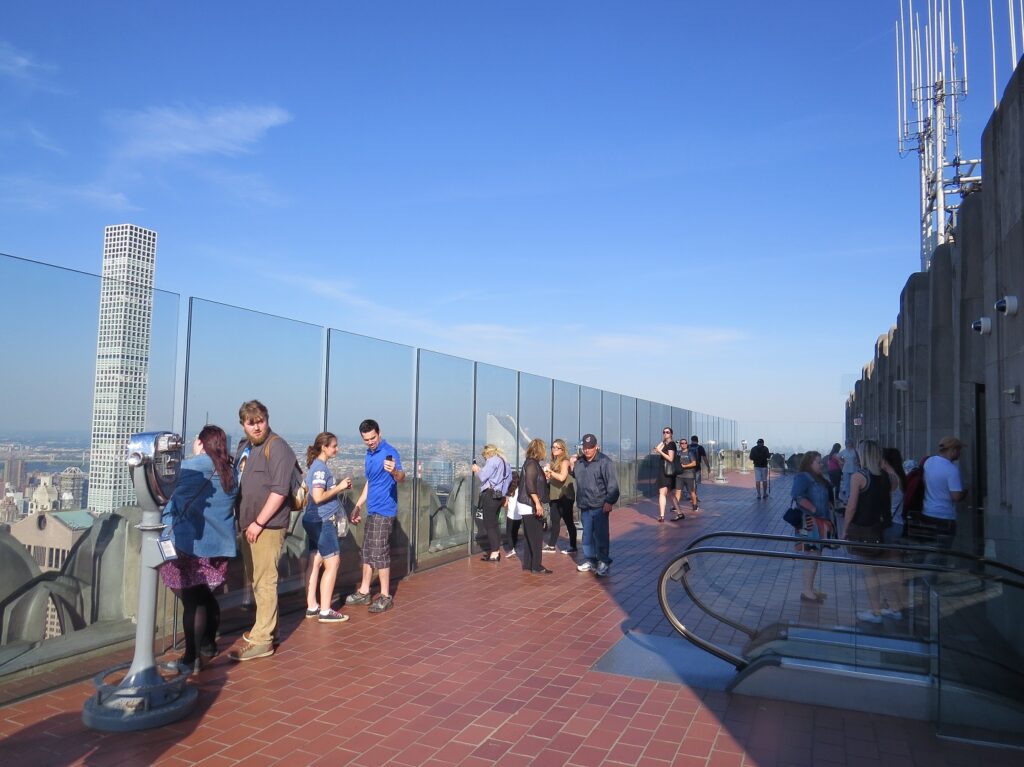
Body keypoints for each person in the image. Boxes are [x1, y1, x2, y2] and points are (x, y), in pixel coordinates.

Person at [159, 425, 238, 674]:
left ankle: (191, 658)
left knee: (192, 602)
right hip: (219, 548)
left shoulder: (191, 468)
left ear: (202, 443)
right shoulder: (230, 472)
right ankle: (208, 646)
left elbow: (162, 491)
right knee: (204, 596)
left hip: (190, 545)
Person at [231, 400, 298, 662]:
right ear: (243, 425)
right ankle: (268, 629)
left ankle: (263, 640)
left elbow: (280, 490)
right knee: (258, 580)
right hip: (249, 525)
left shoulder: (277, 446)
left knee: (265, 581)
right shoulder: (245, 448)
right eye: (251, 422)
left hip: (267, 526)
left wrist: (259, 522)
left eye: (260, 421)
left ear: (267, 419)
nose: (257, 426)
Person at [347, 419, 406, 614]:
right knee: (367, 551)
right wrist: (357, 506)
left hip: (385, 510)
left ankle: (385, 596)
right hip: (372, 510)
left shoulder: (390, 452)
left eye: (373, 438)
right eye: (366, 439)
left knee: (380, 552)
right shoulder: (369, 454)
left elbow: (401, 478)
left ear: (379, 433)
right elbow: (370, 483)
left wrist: (395, 471)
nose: (370, 442)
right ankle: (364, 591)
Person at [845, 440, 900, 624]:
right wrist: (886, 465)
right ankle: (894, 608)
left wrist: (845, 529)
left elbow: (851, 507)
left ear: (862, 455)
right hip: (884, 529)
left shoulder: (859, 477)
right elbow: (895, 483)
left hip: (865, 530)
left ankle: (876, 612)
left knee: (870, 573)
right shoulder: (886, 477)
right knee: (886, 573)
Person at [302, 432, 354, 623]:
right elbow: (317, 497)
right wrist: (339, 487)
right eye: (334, 446)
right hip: (323, 521)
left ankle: (312, 605)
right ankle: (325, 610)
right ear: (324, 447)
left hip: (311, 520)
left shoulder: (315, 467)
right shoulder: (320, 469)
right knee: (332, 563)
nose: (337, 449)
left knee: (315, 561)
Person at [790, 451, 835, 603]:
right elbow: (797, 495)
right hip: (809, 522)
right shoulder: (803, 477)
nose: (821, 464)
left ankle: (810, 588)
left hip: (820, 522)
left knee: (816, 555)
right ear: (810, 463)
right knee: (811, 556)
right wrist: (813, 509)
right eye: (818, 462)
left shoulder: (818, 478)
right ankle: (807, 591)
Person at [572, 434, 620, 577]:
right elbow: (577, 476)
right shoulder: (579, 463)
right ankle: (591, 560)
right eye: (585, 447)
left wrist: (609, 501)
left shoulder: (605, 462)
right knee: (587, 536)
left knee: (600, 535)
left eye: (590, 447)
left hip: (600, 505)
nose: (587, 450)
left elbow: (613, 485)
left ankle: (603, 561)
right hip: (584, 504)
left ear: (596, 447)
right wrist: (570, 464)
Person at [921, 436, 966, 550]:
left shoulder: (928, 462)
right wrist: (965, 492)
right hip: (944, 517)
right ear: (952, 450)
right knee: (942, 554)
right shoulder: (951, 470)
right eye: (959, 450)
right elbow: (956, 497)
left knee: (928, 550)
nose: (960, 453)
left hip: (927, 514)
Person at [471, 444, 511, 562]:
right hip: (499, 496)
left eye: (485, 456)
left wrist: (477, 469)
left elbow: (483, 476)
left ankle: (494, 552)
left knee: (489, 524)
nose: (485, 458)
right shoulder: (505, 462)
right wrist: (505, 496)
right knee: (494, 524)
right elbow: (508, 480)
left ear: (488, 453)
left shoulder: (492, 461)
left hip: (490, 495)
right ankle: (496, 551)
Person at [518, 438, 551, 574]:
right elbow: (530, 485)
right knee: (536, 536)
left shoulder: (531, 463)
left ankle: (528, 563)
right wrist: (537, 503)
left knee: (530, 535)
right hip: (529, 504)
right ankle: (536, 566)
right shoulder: (532, 464)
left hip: (527, 504)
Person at [544, 438, 577, 554]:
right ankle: (552, 545)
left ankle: (573, 546)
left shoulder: (565, 462)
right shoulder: (553, 462)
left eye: (557, 447)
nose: (554, 449)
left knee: (568, 521)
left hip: (565, 495)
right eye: (553, 447)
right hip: (554, 495)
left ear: (562, 450)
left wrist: (550, 471)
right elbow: (553, 477)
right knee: (555, 520)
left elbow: (562, 477)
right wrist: (548, 474)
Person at [652, 427, 682, 523]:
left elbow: (670, 458)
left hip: (666, 472)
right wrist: (663, 442)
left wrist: (660, 451)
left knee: (662, 493)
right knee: (670, 493)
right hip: (664, 471)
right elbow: (656, 449)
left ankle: (662, 516)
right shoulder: (666, 443)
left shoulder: (672, 444)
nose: (665, 433)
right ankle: (680, 513)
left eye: (667, 432)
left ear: (671, 434)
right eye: (664, 432)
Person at [674, 439, 698, 519]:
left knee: (692, 492)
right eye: (682, 443)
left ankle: (695, 505)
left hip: (689, 476)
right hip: (679, 476)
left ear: (687, 444)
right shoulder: (678, 453)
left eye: (685, 443)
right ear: (680, 445)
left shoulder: (690, 453)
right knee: (678, 492)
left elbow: (694, 463)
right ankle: (675, 506)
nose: (683, 444)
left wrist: (685, 466)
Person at [837, 438, 859, 508]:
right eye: (847, 443)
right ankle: (846, 499)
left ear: (851, 443)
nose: (848, 444)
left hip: (854, 469)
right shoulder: (844, 451)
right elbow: (837, 457)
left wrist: (857, 462)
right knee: (846, 484)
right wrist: (841, 462)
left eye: (849, 443)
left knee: (854, 484)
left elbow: (860, 458)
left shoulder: (855, 450)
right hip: (846, 469)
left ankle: (854, 498)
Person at [689, 436, 711, 505]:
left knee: (690, 483)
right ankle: (694, 497)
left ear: (691, 440)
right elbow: (704, 458)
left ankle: (693, 496)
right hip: (697, 468)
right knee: (695, 483)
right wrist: (708, 466)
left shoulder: (687, 447)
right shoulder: (700, 447)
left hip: (688, 468)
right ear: (697, 440)